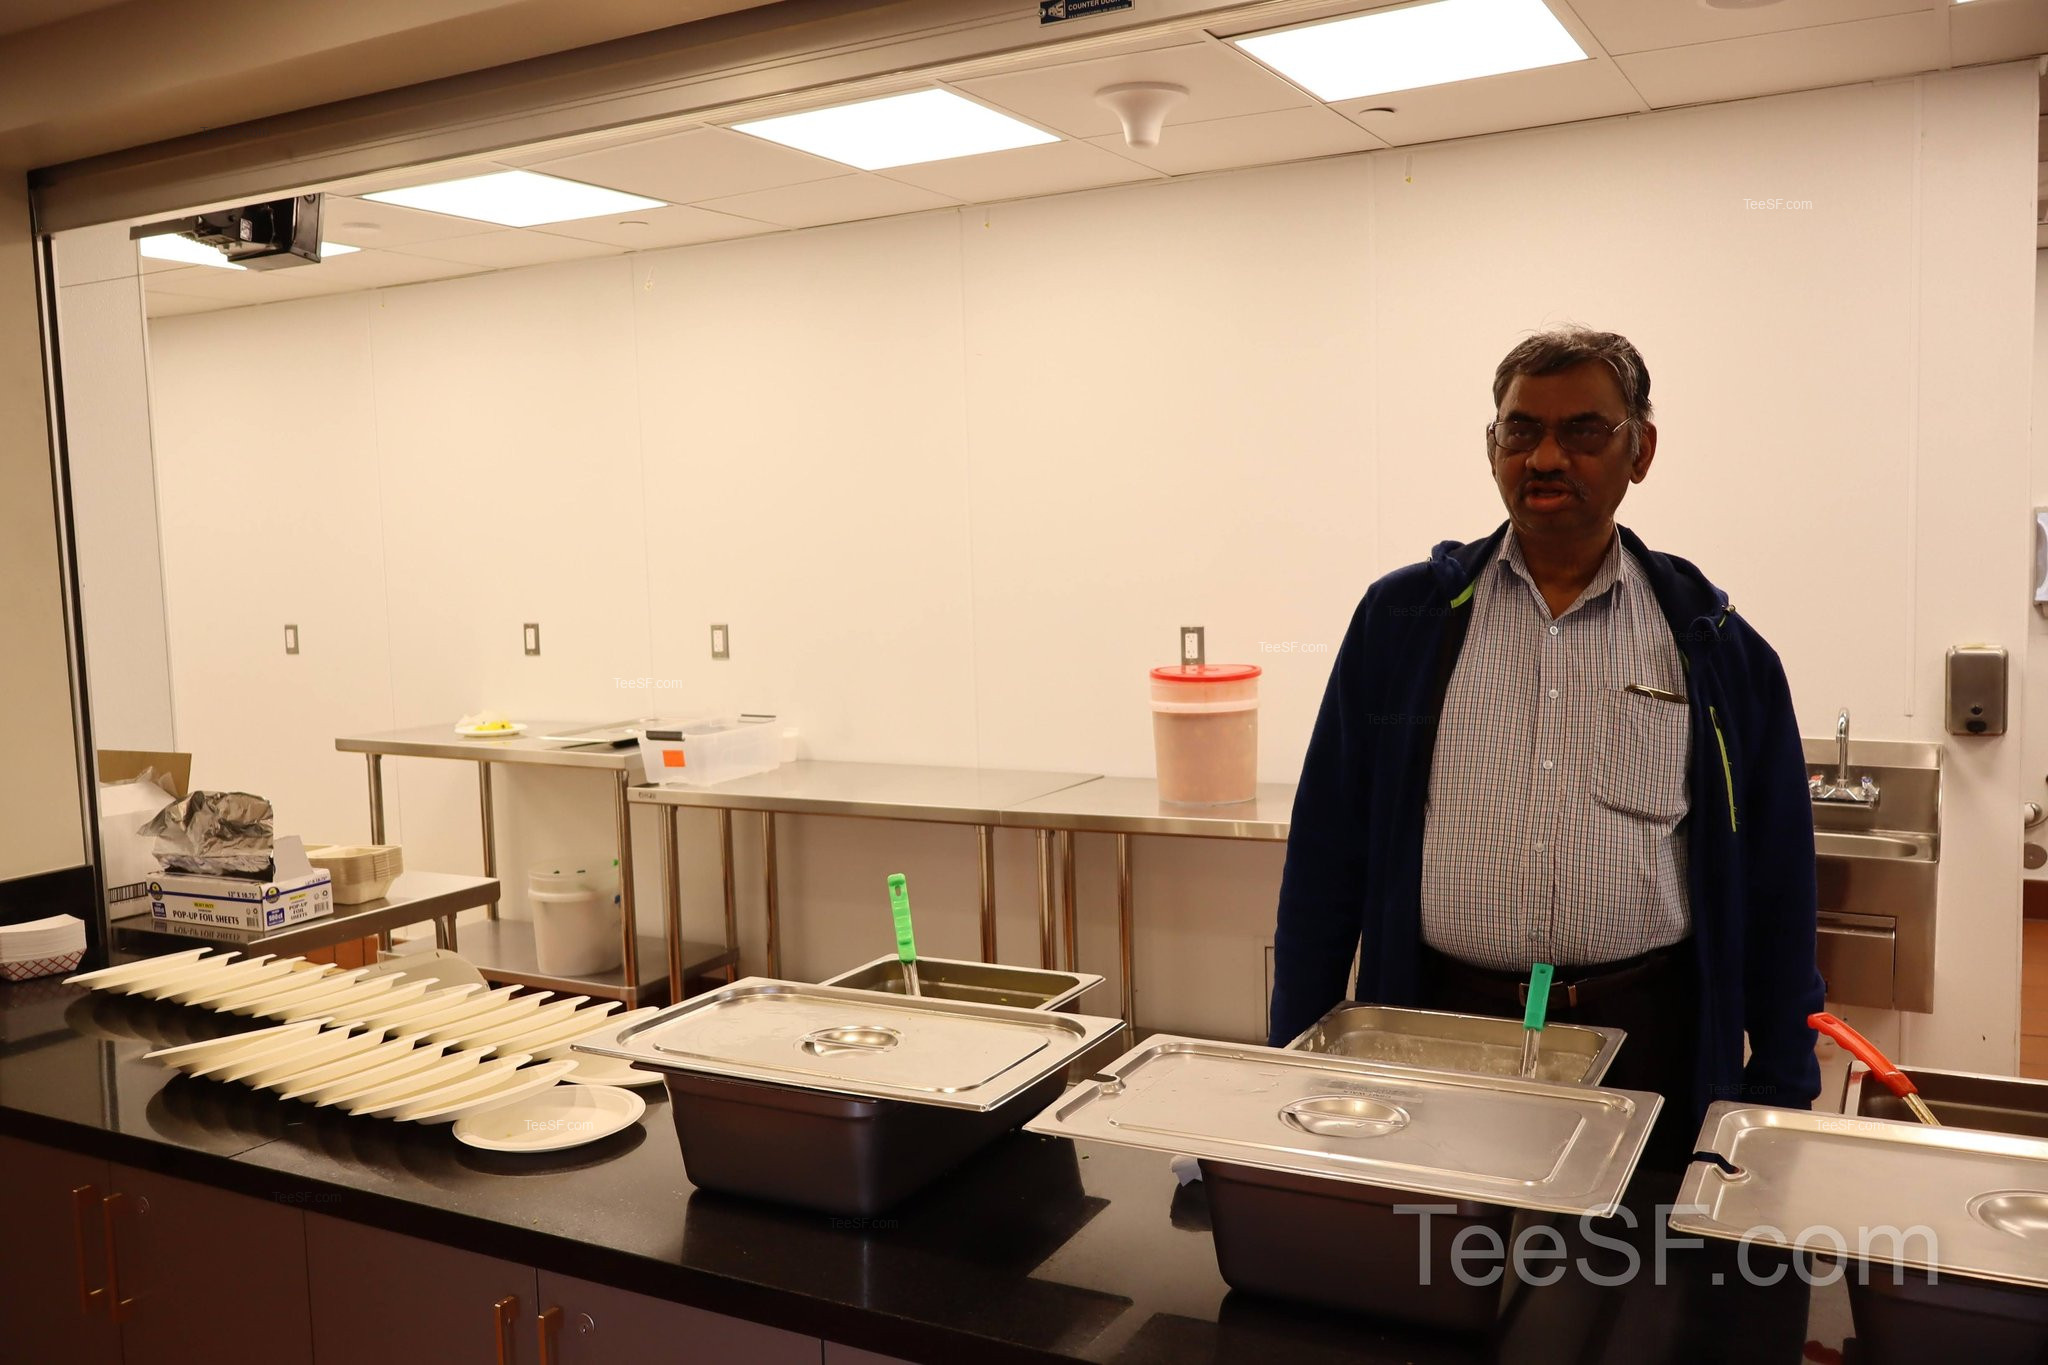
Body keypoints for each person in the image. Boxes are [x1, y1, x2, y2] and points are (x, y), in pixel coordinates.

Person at [1267, 326, 1823, 1168]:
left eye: (1584, 431)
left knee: (1635, 1279)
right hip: (1439, 1025)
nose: (1546, 456)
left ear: (1641, 451)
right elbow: (1325, 857)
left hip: (1647, 1039)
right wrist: (1289, 1061)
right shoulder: (1404, 623)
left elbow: (1778, 889)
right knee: (1441, 1262)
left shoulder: (1715, 648)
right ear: (1492, 446)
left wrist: (1779, 1091)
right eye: (1521, 430)